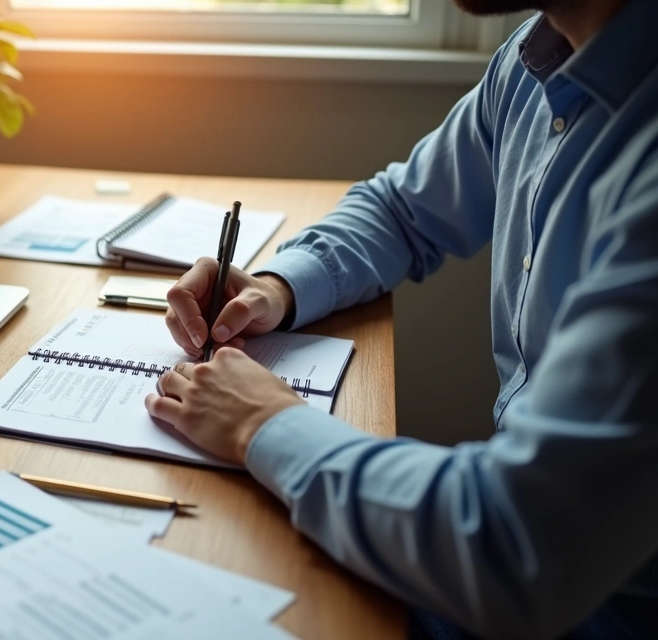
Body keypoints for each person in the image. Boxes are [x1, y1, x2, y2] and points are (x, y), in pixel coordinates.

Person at [147, 0, 658, 637]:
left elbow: (515, 543)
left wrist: (261, 422)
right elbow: (402, 210)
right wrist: (277, 288)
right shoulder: (538, 56)